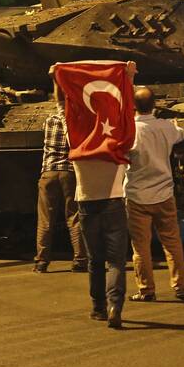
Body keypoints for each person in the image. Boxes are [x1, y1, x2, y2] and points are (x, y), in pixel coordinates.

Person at [55, 61, 137, 330]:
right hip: (114, 205)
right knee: (116, 261)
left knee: (95, 260)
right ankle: (116, 305)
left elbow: (64, 110)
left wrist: (58, 79)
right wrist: (129, 78)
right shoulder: (118, 144)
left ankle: (98, 308)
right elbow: (128, 113)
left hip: (87, 206)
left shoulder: (77, 144)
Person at [124, 87, 184, 302]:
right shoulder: (165, 127)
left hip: (136, 196)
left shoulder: (128, 130)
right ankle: (180, 287)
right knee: (172, 242)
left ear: (133, 105)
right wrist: (175, 125)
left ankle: (146, 289)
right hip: (164, 194)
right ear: (154, 105)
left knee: (140, 247)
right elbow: (180, 134)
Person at [32, 83, 88, 274]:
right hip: (69, 173)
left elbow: (59, 105)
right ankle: (80, 259)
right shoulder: (77, 122)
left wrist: (55, 80)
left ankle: (41, 261)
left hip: (48, 172)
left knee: (45, 219)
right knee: (73, 216)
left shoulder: (49, 120)